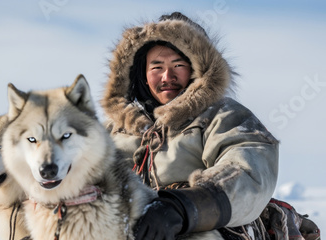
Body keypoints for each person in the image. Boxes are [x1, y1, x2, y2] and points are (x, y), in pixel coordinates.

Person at [101, 12, 279, 239]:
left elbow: (248, 171)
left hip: (202, 227)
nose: (167, 76)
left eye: (179, 64)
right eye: (157, 67)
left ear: (198, 70)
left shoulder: (225, 116)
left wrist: (181, 208)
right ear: (142, 74)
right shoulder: (112, 130)